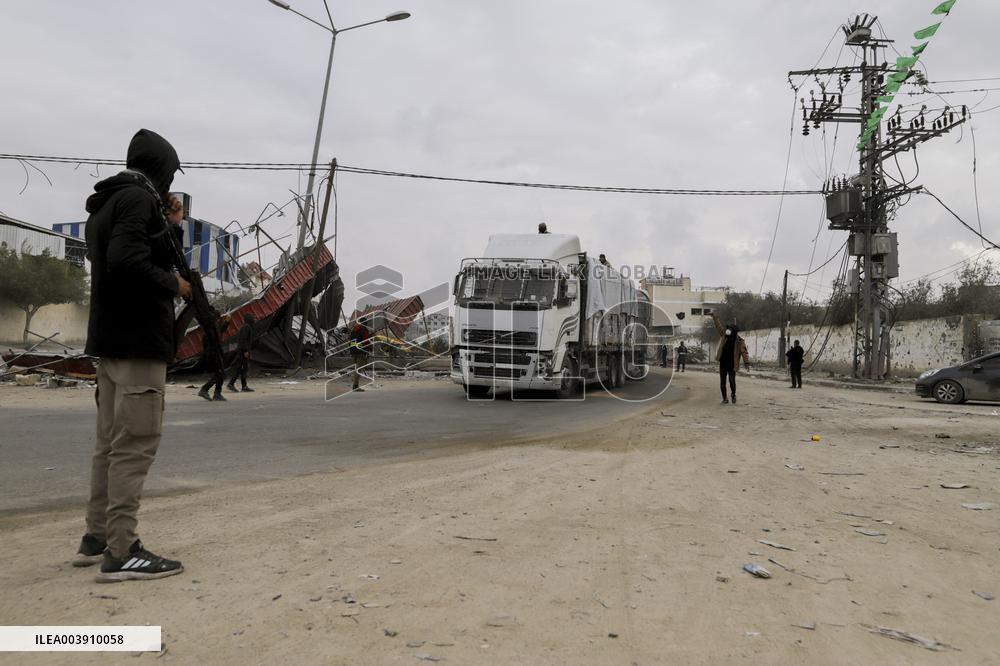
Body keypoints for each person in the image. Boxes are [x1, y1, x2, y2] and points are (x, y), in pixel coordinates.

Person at [75, 129, 189, 582]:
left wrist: (171, 225)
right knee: (135, 445)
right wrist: (175, 285)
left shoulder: (106, 204)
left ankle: (96, 536)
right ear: (160, 169)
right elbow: (128, 260)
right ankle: (121, 550)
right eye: (170, 174)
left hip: (109, 341)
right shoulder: (139, 200)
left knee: (109, 444)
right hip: (139, 341)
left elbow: (126, 256)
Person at [712, 313, 750, 405]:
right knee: (722, 382)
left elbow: (744, 352)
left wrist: (746, 363)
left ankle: (733, 395)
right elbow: (719, 327)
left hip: (732, 364)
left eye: (730, 329)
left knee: (732, 381)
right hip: (723, 363)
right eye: (728, 329)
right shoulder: (724, 336)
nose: (728, 330)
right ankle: (725, 398)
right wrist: (715, 317)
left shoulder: (739, 341)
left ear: (734, 331)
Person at [197, 310, 231, 401]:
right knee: (220, 374)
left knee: (220, 374)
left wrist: (226, 322)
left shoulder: (209, 329)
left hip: (212, 354)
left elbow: (219, 332)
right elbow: (217, 334)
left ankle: (217, 393)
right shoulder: (212, 329)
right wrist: (226, 322)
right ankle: (205, 389)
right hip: (214, 355)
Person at [226, 313, 256, 393]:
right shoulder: (246, 327)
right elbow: (243, 340)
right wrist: (245, 351)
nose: (254, 320)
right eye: (252, 318)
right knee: (240, 368)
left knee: (243, 368)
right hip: (242, 351)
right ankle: (231, 384)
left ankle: (243, 386)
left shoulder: (247, 327)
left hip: (243, 350)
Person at [350, 318, 371, 391]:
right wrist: (368, 349)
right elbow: (366, 341)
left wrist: (352, 350)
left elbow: (351, 341)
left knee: (356, 368)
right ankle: (355, 386)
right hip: (360, 352)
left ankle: (355, 385)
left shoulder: (354, 329)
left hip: (353, 351)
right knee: (358, 369)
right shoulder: (364, 330)